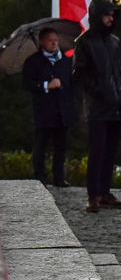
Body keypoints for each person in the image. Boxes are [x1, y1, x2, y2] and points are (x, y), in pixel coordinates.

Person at [73, 0, 121, 213]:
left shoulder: (114, 41)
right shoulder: (84, 42)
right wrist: (100, 91)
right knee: (98, 151)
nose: (110, 18)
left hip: (118, 104)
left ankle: (104, 193)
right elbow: (80, 74)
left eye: (112, 14)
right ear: (97, 16)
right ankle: (93, 195)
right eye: (106, 14)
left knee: (110, 152)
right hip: (98, 107)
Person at [24, 27, 74, 188]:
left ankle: (59, 177)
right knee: (41, 145)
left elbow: (72, 83)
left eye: (56, 40)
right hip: (44, 111)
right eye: (50, 40)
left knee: (61, 146)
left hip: (62, 110)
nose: (54, 43)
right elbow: (27, 84)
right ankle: (40, 176)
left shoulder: (65, 61)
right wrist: (46, 85)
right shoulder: (33, 62)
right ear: (42, 42)